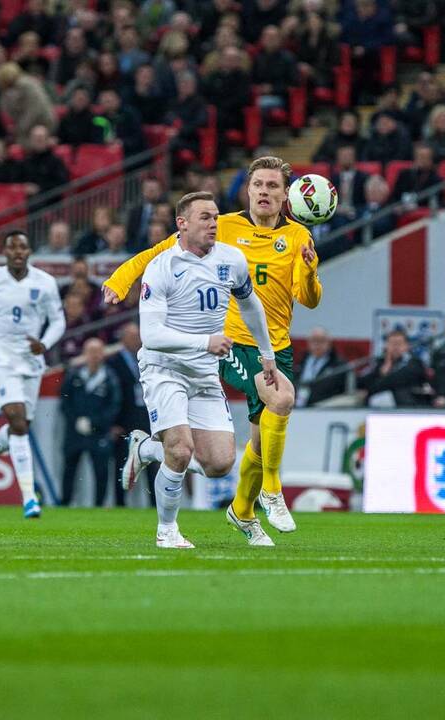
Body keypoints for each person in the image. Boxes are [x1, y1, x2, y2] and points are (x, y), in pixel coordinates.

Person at [105, 157, 321, 538]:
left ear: (285, 195)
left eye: (273, 186)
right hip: (230, 343)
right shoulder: (224, 228)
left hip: (274, 343)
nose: (265, 192)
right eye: (259, 185)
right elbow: (159, 251)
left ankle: (241, 510)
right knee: (282, 398)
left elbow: (309, 298)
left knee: (247, 448)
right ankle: (272, 491)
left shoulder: (300, 237)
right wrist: (122, 279)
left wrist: (308, 269)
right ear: (248, 190)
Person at [113, 191, 277, 548]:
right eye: (205, 217)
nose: (214, 224)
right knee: (181, 448)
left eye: (216, 217)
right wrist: (205, 342)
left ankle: (145, 450)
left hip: (204, 373)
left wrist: (268, 354)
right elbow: (151, 335)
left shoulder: (232, 260)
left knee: (220, 463)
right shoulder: (162, 267)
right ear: (182, 224)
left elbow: (251, 306)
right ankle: (167, 530)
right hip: (164, 368)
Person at [0, 230, 66, 519]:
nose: (18, 252)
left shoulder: (45, 283)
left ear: (29, 251)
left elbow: (58, 320)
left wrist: (44, 343)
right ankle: (29, 497)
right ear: (5, 252)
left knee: (20, 425)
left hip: (31, 364)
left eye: (23, 247)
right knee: (18, 423)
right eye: (12, 247)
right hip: (0, 362)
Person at [60, 337, 121, 507]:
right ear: (84, 354)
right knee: (69, 468)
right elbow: (64, 401)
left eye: (98, 352)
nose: (94, 356)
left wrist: (94, 423)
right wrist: (76, 421)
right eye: (91, 352)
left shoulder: (110, 378)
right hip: (74, 432)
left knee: (101, 472)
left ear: (103, 354)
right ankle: (64, 504)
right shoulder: (74, 376)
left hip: (99, 433)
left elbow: (114, 405)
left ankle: (99, 506)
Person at [107, 322, 154, 507]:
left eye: (137, 336)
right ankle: (120, 503)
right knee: (122, 461)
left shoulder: (145, 358)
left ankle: (155, 504)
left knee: (152, 462)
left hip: (145, 418)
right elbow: (112, 394)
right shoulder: (113, 362)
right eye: (132, 336)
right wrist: (113, 422)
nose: (136, 340)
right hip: (124, 421)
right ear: (123, 338)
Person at [294, 326, 345, 407]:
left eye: (321, 341)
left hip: (324, 405)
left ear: (329, 343)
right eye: (314, 340)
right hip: (298, 403)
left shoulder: (338, 364)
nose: (317, 344)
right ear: (308, 342)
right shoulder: (300, 361)